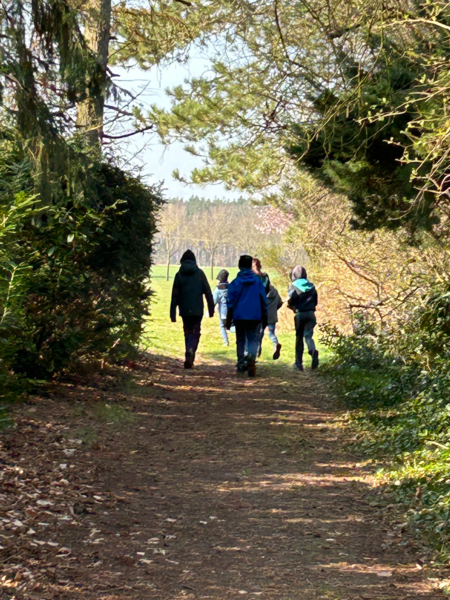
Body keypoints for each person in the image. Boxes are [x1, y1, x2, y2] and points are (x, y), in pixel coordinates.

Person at [170, 250, 214, 369]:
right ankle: (191, 350)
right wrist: (211, 308)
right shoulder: (200, 273)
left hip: (184, 309)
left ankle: (188, 352)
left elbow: (174, 295)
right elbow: (208, 291)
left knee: (187, 331)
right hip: (197, 309)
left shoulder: (179, 275)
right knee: (195, 332)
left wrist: (172, 313)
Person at [226, 255, 268, 377]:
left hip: (239, 316)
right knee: (253, 339)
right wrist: (265, 314)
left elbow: (230, 302)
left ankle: (241, 364)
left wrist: (229, 318)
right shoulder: (258, 282)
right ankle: (251, 358)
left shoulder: (235, 283)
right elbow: (263, 299)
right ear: (250, 266)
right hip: (255, 315)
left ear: (239, 266)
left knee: (240, 340)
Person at [287, 265, 319, 371]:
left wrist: (291, 306)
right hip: (311, 314)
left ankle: (298, 364)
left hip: (300, 314)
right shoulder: (311, 286)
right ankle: (313, 351)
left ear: (294, 275)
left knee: (299, 338)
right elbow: (316, 301)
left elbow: (292, 299)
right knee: (308, 336)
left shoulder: (294, 286)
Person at [260, 283, 283, 360]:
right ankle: (275, 343)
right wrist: (274, 309)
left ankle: (257, 350)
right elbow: (280, 302)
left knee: (260, 333)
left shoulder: (260, 290)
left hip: (262, 316)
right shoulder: (275, 291)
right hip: (272, 316)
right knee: (271, 333)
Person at [213, 269, 230, 346]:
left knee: (222, 325)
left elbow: (214, 300)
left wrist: (210, 309)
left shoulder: (218, 289)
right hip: (232, 311)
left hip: (223, 312)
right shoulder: (230, 287)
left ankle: (225, 341)